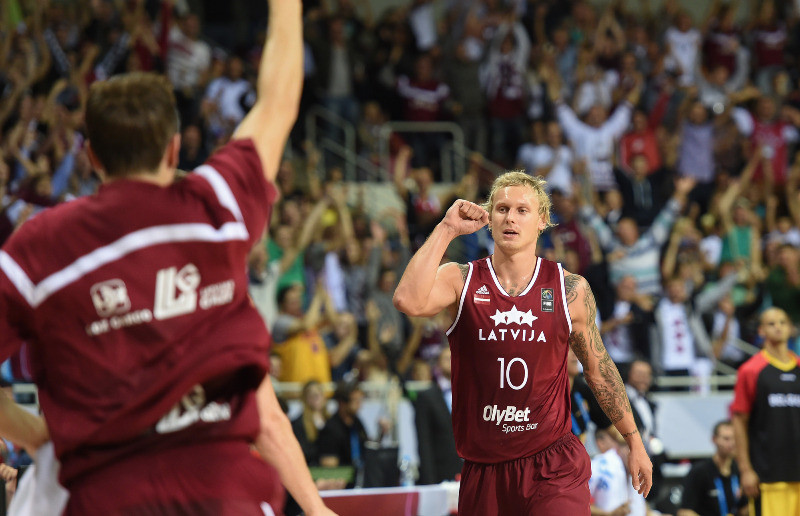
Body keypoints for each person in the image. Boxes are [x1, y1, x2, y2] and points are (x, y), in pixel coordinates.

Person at [0, 1, 336, 515]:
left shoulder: (40, 245)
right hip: (214, 492)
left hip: (95, 495)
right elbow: (278, 102)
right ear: (175, 149)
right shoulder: (216, 206)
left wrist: (33, 434)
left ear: (91, 158)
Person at [393, 171, 652, 515]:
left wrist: (633, 440)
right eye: (501, 209)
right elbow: (408, 300)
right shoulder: (462, 279)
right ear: (489, 218)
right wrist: (447, 228)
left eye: (521, 210)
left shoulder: (569, 289)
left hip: (552, 464)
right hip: (484, 466)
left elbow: (599, 369)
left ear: (542, 220)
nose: (510, 217)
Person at [731, 307, 800, 516]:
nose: (778, 327)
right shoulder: (751, 370)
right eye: (771, 323)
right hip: (767, 476)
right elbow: (739, 421)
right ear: (761, 331)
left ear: (790, 328)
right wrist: (745, 470)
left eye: (782, 322)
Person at [415, 347, 463, 485]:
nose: (451, 361)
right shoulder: (426, 397)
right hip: (440, 476)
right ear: (438, 365)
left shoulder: (470, 394)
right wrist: (430, 483)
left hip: (468, 474)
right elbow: (424, 443)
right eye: (446, 358)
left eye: (454, 357)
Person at [678, 420, 743, 516]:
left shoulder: (740, 470)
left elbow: (744, 508)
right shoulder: (699, 471)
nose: (731, 443)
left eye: (734, 439)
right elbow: (684, 512)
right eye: (726, 439)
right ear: (714, 439)